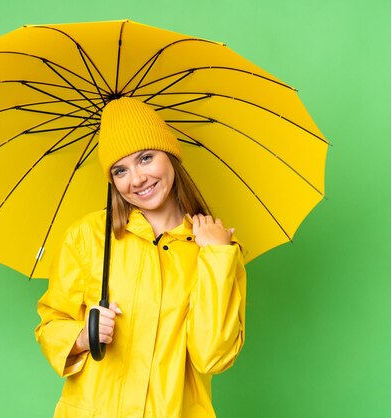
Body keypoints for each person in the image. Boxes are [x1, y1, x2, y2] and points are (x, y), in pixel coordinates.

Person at [36, 97, 246, 417]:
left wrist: (218, 256)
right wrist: (82, 336)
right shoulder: (88, 237)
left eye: (146, 158)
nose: (136, 179)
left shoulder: (216, 250)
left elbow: (211, 357)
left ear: (171, 156)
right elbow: (51, 322)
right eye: (120, 170)